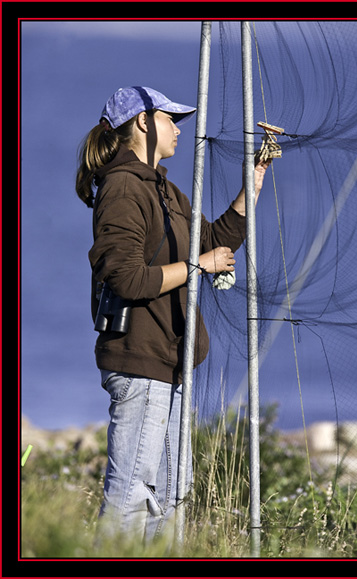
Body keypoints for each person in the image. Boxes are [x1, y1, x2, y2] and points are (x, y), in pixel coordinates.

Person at [75, 86, 270, 546]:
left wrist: (251, 189)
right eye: (169, 119)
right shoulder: (123, 188)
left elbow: (209, 239)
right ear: (142, 123)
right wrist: (199, 266)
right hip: (140, 361)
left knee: (169, 497)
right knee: (130, 495)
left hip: (168, 364)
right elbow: (126, 278)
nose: (178, 129)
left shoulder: (164, 189)